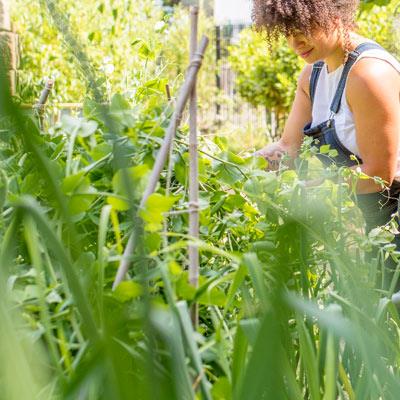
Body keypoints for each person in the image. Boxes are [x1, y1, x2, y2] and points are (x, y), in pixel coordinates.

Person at [252, 0, 400, 292]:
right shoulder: (313, 76)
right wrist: (240, 165)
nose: (295, 42)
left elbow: (379, 173)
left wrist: (311, 187)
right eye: (286, 33)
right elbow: (287, 148)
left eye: (302, 29)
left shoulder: (368, 75)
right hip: (374, 220)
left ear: (331, 13)